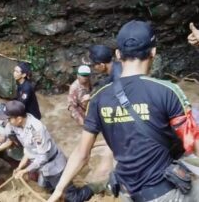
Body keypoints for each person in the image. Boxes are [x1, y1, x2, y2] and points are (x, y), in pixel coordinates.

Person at [48, 20, 199, 202]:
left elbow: (82, 153)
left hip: (129, 194)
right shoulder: (167, 91)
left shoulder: (98, 98)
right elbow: (192, 142)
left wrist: (59, 190)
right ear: (153, 52)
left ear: (118, 54)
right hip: (166, 194)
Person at [3, 100, 94, 201]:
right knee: (45, 186)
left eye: (9, 119)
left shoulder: (37, 130)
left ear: (19, 119)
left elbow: (43, 158)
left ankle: (95, 188)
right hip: (42, 167)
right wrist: (20, 167)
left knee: (73, 198)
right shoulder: (15, 126)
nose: (7, 121)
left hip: (53, 166)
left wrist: (25, 170)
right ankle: (58, 195)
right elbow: (28, 149)